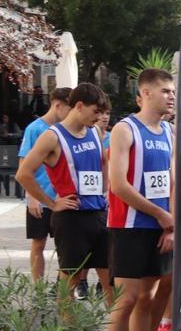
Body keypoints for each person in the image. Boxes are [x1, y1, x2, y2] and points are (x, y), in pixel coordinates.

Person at [98, 68, 177, 331]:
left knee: (147, 297)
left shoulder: (171, 132)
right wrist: (161, 215)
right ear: (144, 93)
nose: (171, 96)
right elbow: (118, 184)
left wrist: (170, 224)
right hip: (130, 225)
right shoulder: (125, 129)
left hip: (160, 227)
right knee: (125, 300)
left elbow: (172, 181)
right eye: (164, 91)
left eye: (172, 91)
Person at [16, 83, 111, 297]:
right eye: (95, 111)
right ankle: (66, 329)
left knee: (109, 280)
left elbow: (103, 162)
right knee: (70, 280)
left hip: (99, 213)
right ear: (79, 106)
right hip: (71, 218)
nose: (99, 117)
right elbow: (23, 173)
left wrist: (106, 190)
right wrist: (51, 203)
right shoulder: (52, 136)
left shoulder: (95, 132)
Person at [19, 87, 70, 280]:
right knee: (38, 243)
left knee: (65, 246)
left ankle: (62, 288)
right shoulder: (35, 129)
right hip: (40, 197)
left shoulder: (67, 130)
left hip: (63, 198)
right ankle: (38, 288)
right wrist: (31, 196)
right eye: (69, 109)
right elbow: (23, 165)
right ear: (58, 105)